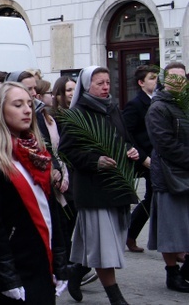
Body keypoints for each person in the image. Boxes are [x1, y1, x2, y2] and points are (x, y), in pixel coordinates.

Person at [0, 82, 68, 303]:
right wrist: (7, 277)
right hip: (10, 264)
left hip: (41, 257)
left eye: (29, 104)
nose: (27, 110)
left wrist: (60, 263)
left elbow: (51, 212)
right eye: (18, 104)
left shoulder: (37, 151)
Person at [59, 66, 141, 305]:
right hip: (93, 190)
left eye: (107, 82)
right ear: (87, 86)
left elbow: (124, 139)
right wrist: (95, 161)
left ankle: (77, 271)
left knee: (103, 242)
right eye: (99, 83)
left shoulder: (113, 109)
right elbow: (67, 151)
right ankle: (116, 298)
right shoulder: (77, 114)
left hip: (117, 187)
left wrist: (130, 150)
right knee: (104, 246)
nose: (105, 87)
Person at [146, 62, 189, 292]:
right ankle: (172, 274)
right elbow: (166, 144)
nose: (179, 82)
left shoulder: (185, 105)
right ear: (165, 81)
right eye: (174, 78)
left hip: (186, 172)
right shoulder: (158, 108)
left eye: (182, 78)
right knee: (170, 228)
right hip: (169, 175)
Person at [122, 65, 158, 253]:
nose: (156, 80)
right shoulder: (135, 105)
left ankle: (131, 233)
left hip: (159, 157)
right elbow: (127, 135)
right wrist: (143, 157)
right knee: (152, 198)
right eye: (152, 78)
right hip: (145, 159)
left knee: (155, 199)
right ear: (141, 83)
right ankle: (130, 233)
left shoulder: (158, 101)